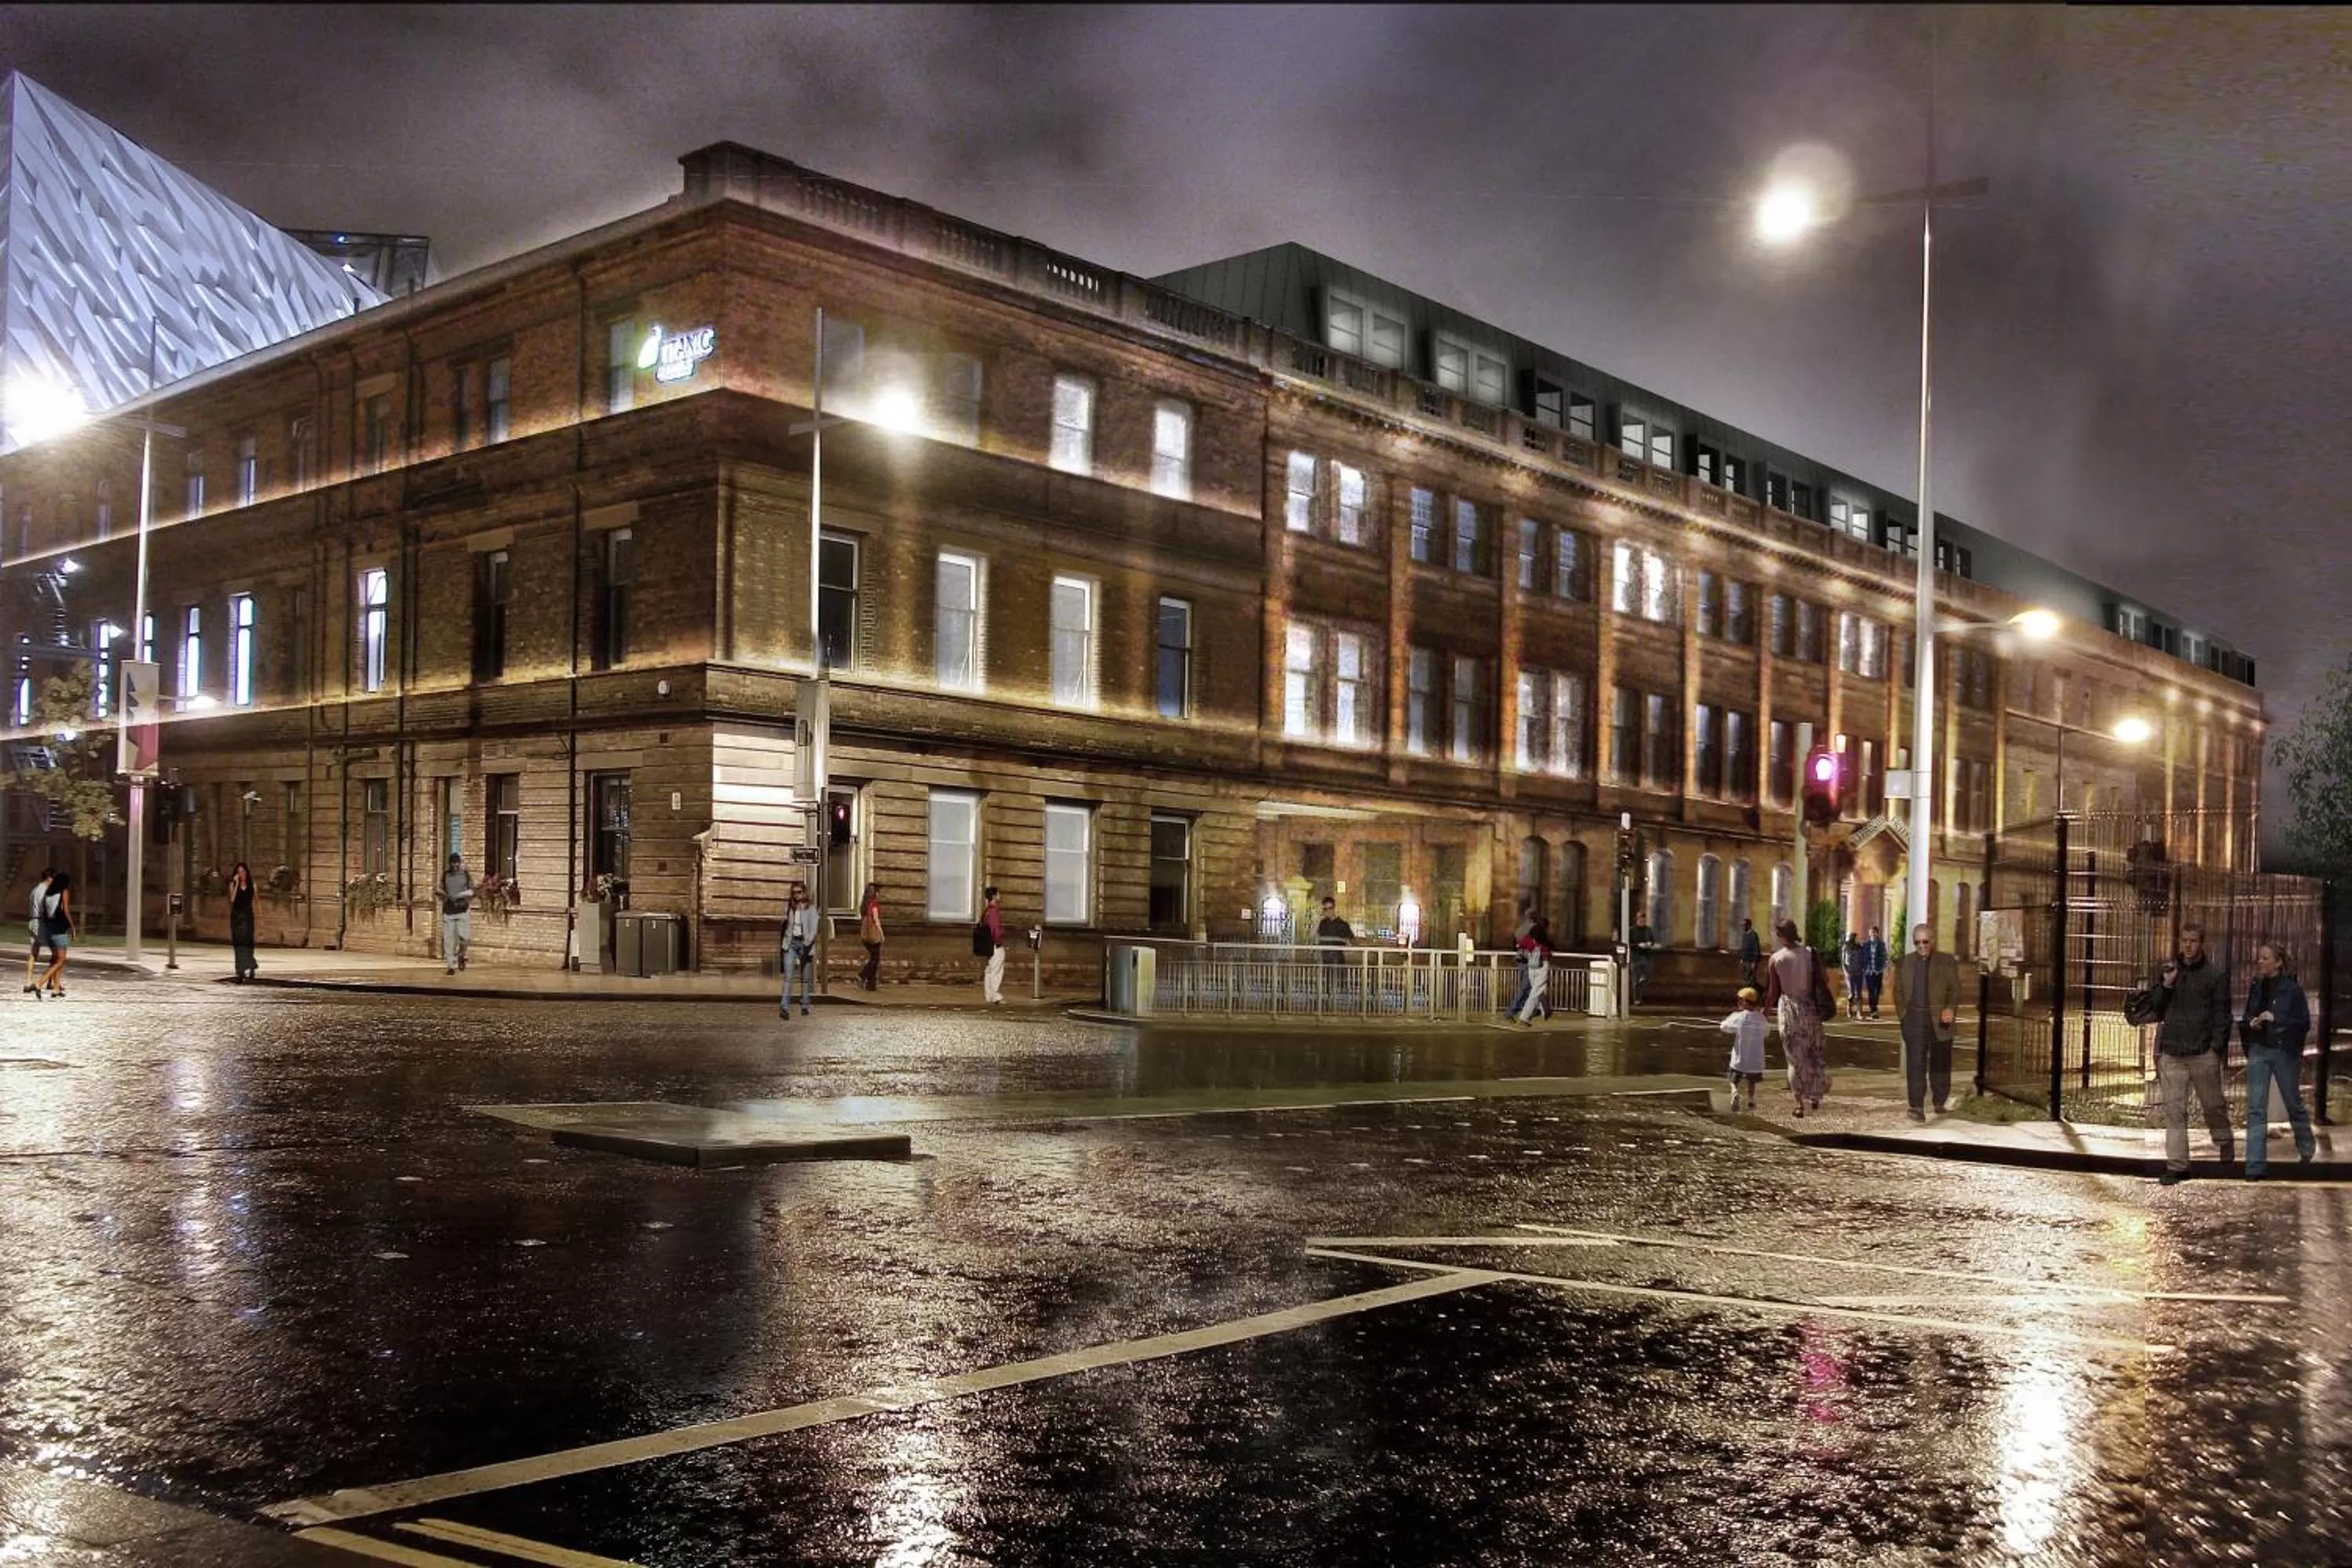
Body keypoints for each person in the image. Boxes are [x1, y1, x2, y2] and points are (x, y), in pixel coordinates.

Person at [2152, 923, 2235, 1185]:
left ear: (2202, 943)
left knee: (2213, 1106)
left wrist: (2216, 1049)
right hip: (2172, 1052)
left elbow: (2223, 1014)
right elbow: (2155, 1007)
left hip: (2202, 1052)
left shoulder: (2214, 975)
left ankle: (2224, 1140)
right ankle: (2177, 1166)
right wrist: (2166, 985)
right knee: (2175, 1110)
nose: (2188, 946)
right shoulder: (2169, 971)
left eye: (2193, 941)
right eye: (2184, 940)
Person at [2239, 940, 2317, 1179]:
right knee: (2256, 1109)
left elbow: (2303, 1023)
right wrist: (2251, 1022)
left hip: (2284, 1052)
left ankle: (2306, 1146)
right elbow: (2246, 1016)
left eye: (2265, 958)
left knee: (2292, 1101)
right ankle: (2254, 1166)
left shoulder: (2292, 990)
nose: (2260, 962)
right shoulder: (2256, 987)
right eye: (2259, 958)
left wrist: (2277, 1019)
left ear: (2278, 962)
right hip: (2259, 1049)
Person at [1761, 918, 1831, 1116]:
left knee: (1794, 1058)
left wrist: (1764, 1011)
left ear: (1781, 936)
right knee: (1814, 1054)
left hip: (1789, 1009)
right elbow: (1824, 980)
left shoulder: (1775, 959)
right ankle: (1816, 1097)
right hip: (1810, 1008)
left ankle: (1799, 1104)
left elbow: (1773, 992)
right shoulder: (1810, 954)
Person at [1891, 923, 1960, 1121]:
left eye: (1925, 941)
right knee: (1916, 1065)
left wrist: (1950, 1008)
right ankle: (1916, 1107)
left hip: (1940, 1020)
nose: (1921, 946)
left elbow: (1955, 990)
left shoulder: (1946, 962)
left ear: (1933, 941)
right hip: (1914, 1020)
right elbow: (1898, 992)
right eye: (1917, 942)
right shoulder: (1905, 963)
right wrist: (1903, 1015)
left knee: (1940, 1063)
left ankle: (1939, 1100)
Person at [1720, 985, 1768, 1112]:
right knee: (1751, 1081)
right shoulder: (1761, 1018)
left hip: (1740, 1058)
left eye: (1740, 1000)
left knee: (1733, 1079)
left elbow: (1724, 1027)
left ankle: (1735, 1092)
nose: (1738, 1003)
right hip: (1755, 1059)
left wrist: (1725, 1025)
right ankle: (1751, 1100)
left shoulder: (1737, 1017)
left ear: (1745, 1003)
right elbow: (1766, 1033)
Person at [780, 882, 818, 1018]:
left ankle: (805, 1005)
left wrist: (807, 943)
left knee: (806, 978)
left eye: (799, 892)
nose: (797, 895)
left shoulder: (811, 909)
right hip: (791, 944)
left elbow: (814, 929)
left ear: (804, 892)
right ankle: (784, 1007)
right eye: (794, 893)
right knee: (788, 977)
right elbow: (785, 923)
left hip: (805, 944)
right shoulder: (790, 907)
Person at [34, 871, 74, 999]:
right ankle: (40, 982)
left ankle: (56, 988)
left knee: (56, 958)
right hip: (59, 929)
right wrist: (72, 927)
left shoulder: (48, 894)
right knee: (61, 960)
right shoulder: (64, 892)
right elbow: (66, 911)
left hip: (49, 929)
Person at [439, 853, 477, 975]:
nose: (455, 865)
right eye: (453, 863)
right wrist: (443, 895)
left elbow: (472, 891)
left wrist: (461, 895)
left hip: (462, 910)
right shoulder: (445, 875)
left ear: (460, 863)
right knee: (448, 940)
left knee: (465, 938)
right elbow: (439, 889)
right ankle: (450, 966)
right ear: (449, 864)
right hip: (448, 912)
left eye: (457, 863)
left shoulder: (465, 874)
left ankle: (461, 955)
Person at [1514, 916, 1552, 1026]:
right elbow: (1548, 951)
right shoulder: (1544, 940)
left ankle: (1546, 1010)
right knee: (1535, 993)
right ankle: (1524, 1018)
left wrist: (1525, 951)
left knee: (1537, 990)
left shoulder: (1529, 938)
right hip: (1542, 967)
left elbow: (1519, 945)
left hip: (1531, 967)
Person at [23, 866, 52, 996]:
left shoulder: (35, 890)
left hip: (32, 921)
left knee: (33, 952)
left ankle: (28, 982)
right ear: (50, 878)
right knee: (57, 951)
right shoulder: (45, 890)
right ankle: (50, 982)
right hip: (41, 922)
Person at [228, 862, 259, 982]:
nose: (241, 874)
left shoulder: (252, 884)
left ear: (246, 872)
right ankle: (240, 969)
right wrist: (236, 884)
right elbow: (232, 899)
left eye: (243, 871)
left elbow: (257, 900)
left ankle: (251, 966)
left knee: (248, 942)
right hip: (237, 916)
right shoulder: (233, 884)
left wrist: (260, 916)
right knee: (238, 943)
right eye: (239, 872)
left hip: (247, 916)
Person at [977, 885, 1007, 1005]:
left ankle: (989, 995)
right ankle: (996, 996)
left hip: (987, 944)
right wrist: (999, 942)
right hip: (994, 944)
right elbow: (995, 929)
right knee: (996, 969)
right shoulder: (994, 911)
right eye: (999, 894)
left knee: (989, 970)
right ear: (994, 896)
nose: (1000, 896)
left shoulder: (986, 911)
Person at [858, 882, 884, 991]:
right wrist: (881, 933)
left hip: (865, 936)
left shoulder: (864, 905)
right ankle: (863, 975)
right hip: (873, 936)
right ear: (875, 893)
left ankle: (871, 985)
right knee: (875, 959)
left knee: (874, 958)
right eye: (878, 892)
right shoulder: (874, 904)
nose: (879, 894)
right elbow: (876, 919)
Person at [1861, 925, 1889, 1020]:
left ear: (1877, 933)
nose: (1873, 934)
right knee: (1871, 991)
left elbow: (1884, 957)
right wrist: (1865, 968)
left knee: (1877, 991)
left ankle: (1874, 1007)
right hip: (1869, 972)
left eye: (1875, 932)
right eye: (1872, 932)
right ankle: (1873, 1010)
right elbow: (1863, 958)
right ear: (1869, 934)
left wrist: (1882, 968)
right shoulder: (1865, 945)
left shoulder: (1881, 944)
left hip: (1878, 972)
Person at [1629, 918, 1657, 1006]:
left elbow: (1653, 941)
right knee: (1636, 979)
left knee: (1647, 975)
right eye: (1641, 921)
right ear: (1637, 920)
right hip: (1636, 957)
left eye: (1644, 921)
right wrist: (1638, 945)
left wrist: (1650, 944)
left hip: (1646, 957)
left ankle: (1642, 981)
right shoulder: (1631, 930)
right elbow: (1628, 943)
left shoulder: (1648, 930)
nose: (1642, 922)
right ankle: (1637, 999)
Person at [1841, 932, 1866, 1020]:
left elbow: (1863, 959)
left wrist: (1863, 968)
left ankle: (1859, 1013)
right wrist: (1846, 972)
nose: (1857, 939)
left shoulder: (1860, 948)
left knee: (1859, 993)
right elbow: (1843, 962)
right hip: (1850, 973)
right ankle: (1849, 1010)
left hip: (1859, 972)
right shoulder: (1846, 948)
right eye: (1856, 937)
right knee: (1852, 993)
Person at [1737, 917, 1762, 992]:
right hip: (1745, 960)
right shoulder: (1744, 935)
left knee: (1750, 980)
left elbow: (1756, 949)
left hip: (1751, 961)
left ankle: (1755, 994)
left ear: (1749, 925)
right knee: (1746, 978)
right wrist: (1742, 958)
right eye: (1742, 925)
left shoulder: (1753, 935)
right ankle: (1756, 992)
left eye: (1744, 925)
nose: (1743, 927)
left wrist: (1754, 962)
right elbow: (1743, 948)